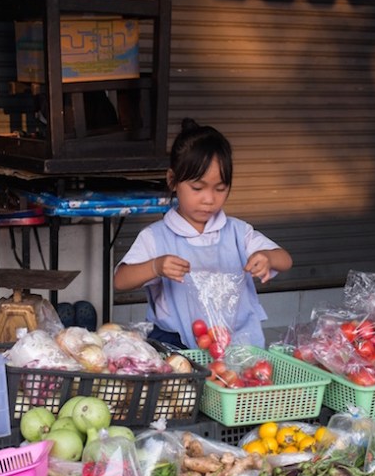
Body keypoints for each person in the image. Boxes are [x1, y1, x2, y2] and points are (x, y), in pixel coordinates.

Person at [114, 119, 292, 349]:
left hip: (236, 344)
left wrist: (267, 258)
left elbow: (285, 259)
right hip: (175, 344)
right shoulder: (156, 237)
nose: (209, 199)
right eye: (198, 188)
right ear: (172, 181)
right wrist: (155, 267)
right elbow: (120, 280)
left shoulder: (237, 232)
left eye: (220, 189)